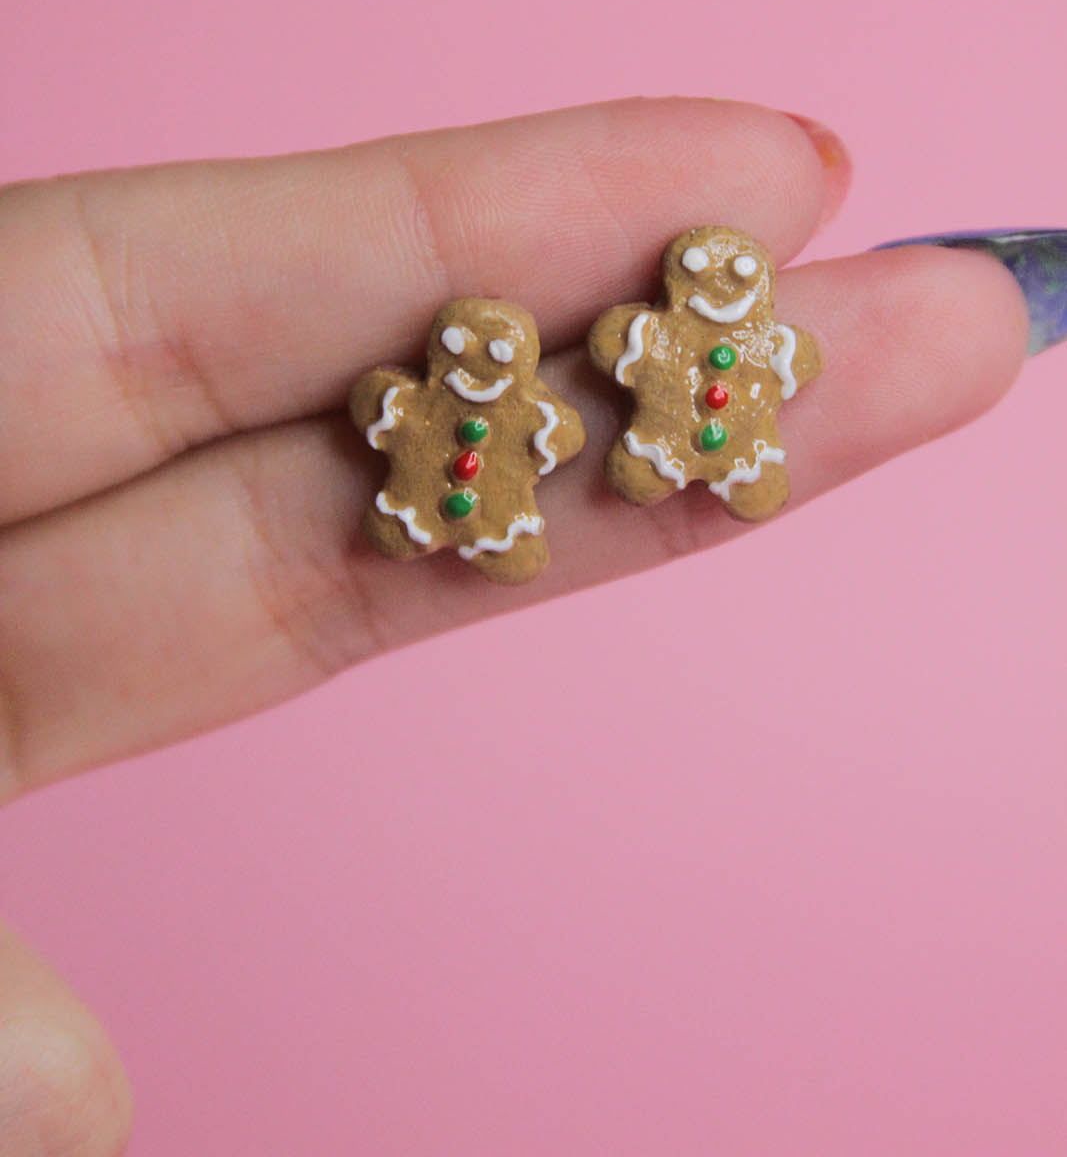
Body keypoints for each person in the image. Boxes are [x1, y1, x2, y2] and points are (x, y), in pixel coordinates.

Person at [0, 96, 1029, 1155]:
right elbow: (472, 405)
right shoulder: (517, 369)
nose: (717, 287)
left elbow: (694, 386)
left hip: (691, 454)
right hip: (446, 500)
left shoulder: (723, 347)